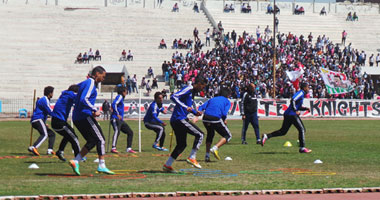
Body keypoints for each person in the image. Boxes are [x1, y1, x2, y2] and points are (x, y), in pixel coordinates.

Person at [69, 66, 114, 176]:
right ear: (97, 74)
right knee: (101, 140)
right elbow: (84, 98)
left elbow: (74, 91)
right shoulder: (90, 82)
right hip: (84, 116)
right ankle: (102, 165)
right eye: (103, 76)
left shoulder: (84, 83)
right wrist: (94, 109)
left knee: (92, 141)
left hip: (77, 117)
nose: (103, 79)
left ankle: (76, 161)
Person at [163, 76, 207, 172]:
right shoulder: (189, 88)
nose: (202, 89)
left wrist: (196, 113)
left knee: (181, 145)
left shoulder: (192, 93)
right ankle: (192, 157)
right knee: (200, 134)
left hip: (177, 120)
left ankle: (167, 165)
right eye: (202, 87)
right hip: (179, 119)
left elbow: (188, 108)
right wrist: (185, 106)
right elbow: (173, 96)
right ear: (199, 84)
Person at [261, 82, 312, 153]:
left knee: (283, 131)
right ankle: (302, 148)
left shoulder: (302, 94)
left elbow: (297, 106)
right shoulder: (301, 93)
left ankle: (266, 136)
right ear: (304, 88)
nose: (308, 89)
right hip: (292, 114)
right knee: (302, 129)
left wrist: (305, 108)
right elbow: (293, 100)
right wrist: (295, 110)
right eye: (307, 87)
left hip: (288, 114)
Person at [198, 87, 232, 162]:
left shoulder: (212, 99)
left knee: (210, 134)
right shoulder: (227, 101)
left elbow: (201, 107)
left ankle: (207, 156)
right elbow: (224, 113)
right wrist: (224, 120)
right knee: (228, 136)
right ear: (228, 95)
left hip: (205, 118)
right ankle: (215, 148)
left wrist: (199, 112)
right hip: (215, 118)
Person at [51, 85, 80, 161]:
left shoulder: (65, 94)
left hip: (58, 121)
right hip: (59, 122)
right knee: (74, 138)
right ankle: (78, 157)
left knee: (69, 135)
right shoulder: (71, 94)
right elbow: (80, 100)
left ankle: (60, 151)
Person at [28, 86, 56, 156]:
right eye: (52, 93)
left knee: (52, 134)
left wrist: (44, 123)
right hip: (37, 119)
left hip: (39, 120)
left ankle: (50, 150)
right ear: (50, 93)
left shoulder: (45, 100)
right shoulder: (45, 99)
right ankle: (34, 147)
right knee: (45, 134)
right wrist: (57, 115)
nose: (53, 94)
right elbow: (49, 111)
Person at [110, 86, 136, 154]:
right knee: (117, 131)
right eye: (126, 91)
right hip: (115, 118)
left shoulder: (121, 98)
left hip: (120, 120)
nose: (126, 92)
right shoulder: (120, 96)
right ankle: (113, 148)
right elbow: (114, 104)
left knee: (130, 132)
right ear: (123, 92)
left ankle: (129, 148)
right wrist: (117, 113)